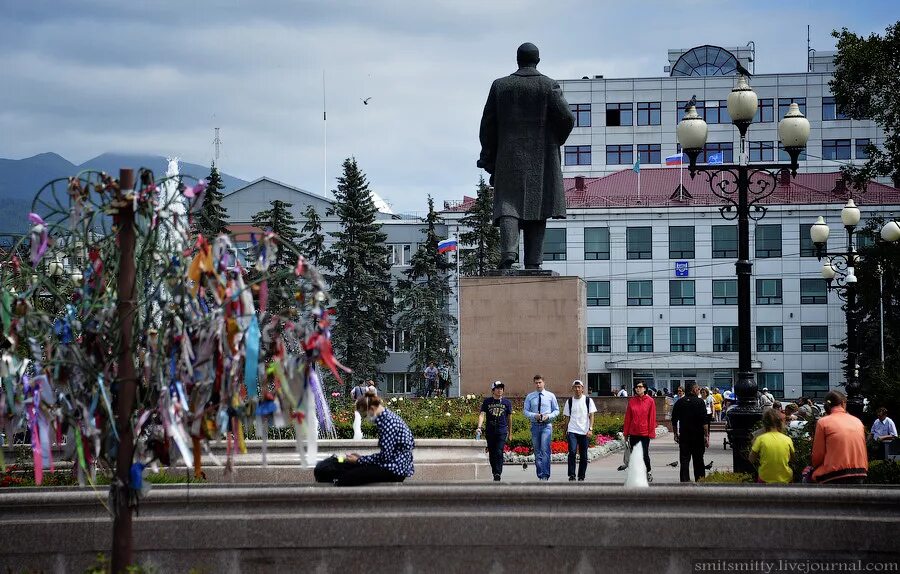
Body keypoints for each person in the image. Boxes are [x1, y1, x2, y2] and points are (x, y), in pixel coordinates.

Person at [477, 42, 575, 270]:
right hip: (541, 158)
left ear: (518, 60)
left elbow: (487, 124)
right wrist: (554, 140)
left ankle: (509, 253)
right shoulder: (548, 85)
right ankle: (534, 261)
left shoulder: (501, 86)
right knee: (537, 205)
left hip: (508, 157)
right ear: (537, 60)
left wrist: (488, 155)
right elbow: (567, 118)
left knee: (508, 205)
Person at [337, 390, 415, 486]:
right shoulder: (388, 418)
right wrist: (361, 459)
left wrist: (359, 460)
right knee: (351, 470)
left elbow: (385, 457)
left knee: (347, 477)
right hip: (397, 467)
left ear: (372, 409)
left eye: (364, 415)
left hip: (394, 470)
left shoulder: (387, 423)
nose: (365, 419)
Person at [811, 391, 868, 484]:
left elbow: (818, 456)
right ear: (843, 403)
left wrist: (815, 467)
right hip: (860, 472)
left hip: (835, 473)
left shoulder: (823, 422)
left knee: (808, 477)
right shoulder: (857, 421)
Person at [523, 374, 559, 481]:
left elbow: (556, 410)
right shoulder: (530, 396)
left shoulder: (550, 396)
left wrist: (549, 416)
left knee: (545, 450)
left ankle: (545, 475)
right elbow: (525, 411)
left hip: (546, 426)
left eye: (540, 382)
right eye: (536, 383)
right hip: (535, 426)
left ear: (544, 382)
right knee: (537, 451)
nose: (538, 385)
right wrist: (534, 415)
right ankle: (540, 474)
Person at [671, 381, 709, 482]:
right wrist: (706, 436)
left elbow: (674, 420)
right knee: (699, 461)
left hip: (684, 436)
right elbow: (704, 422)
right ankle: (700, 481)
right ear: (693, 390)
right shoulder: (700, 402)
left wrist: (675, 434)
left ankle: (684, 482)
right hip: (698, 436)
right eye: (697, 389)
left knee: (684, 461)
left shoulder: (679, 402)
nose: (699, 391)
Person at [477, 381, 513, 481]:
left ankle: (498, 472)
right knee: (492, 452)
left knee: (499, 451)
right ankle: (494, 472)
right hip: (490, 430)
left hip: (502, 430)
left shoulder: (507, 403)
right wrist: (479, 427)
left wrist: (510, 433)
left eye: (501, 388)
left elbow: (509, 418)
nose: (500, 390)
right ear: (493, 390)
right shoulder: (487, 402)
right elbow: (482, 414)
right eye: (497, 388)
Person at [750, 407, 795, 484]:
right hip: (786, 478)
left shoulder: (760, 439)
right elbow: (792, 459)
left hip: (765, 478)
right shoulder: (787, 439)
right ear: (781, 423)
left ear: (764, 423)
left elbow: (751, 459)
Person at [563, 379, 597, 482]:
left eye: (579, 387)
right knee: (572, 452)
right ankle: (572, 475)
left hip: (584, 431)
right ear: (573, 388)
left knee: (584, 455)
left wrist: (590, 429)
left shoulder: (588, 400)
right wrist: (565, 431)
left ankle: (581, 476)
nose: (577, 389)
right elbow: (567, 417)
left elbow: (591, 415)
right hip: (572, 430)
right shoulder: (569, 401)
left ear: (582, 389)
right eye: (575, 387)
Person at [623, 381, 657, 482]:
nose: (638, 389)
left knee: (644, 454)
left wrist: (651, 433)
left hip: (644, 433)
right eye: (636, 387)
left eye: (640, 387)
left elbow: (652, 417)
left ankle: (648, 471)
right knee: (634, 455)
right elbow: (628, 418)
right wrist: (626, 433)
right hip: (633, 433)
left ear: (645, 388)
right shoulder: (632, 401)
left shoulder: (650, 401)